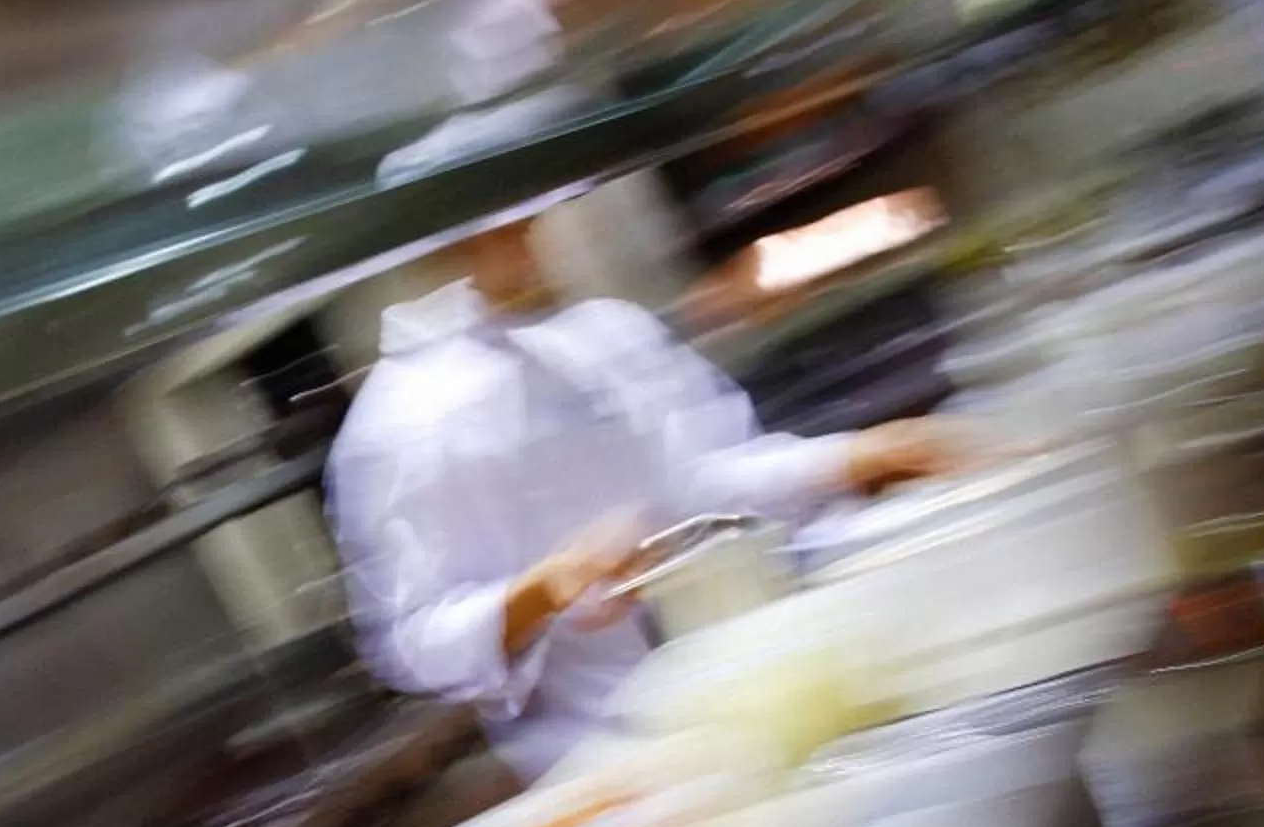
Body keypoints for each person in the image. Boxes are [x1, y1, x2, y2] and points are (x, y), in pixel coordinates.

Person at [326, 216, 957, 781]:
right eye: (488, 232)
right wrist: (543, 589)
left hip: (771, 673)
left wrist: (856, 455)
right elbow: (414, 639)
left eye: (524, 222)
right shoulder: (399, 422)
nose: (523, 241)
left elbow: (705, 475)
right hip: (622, 758)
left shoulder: (607, 328)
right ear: (433, 254)